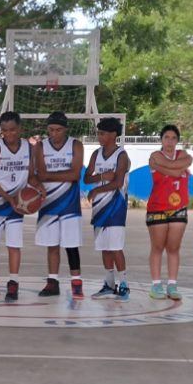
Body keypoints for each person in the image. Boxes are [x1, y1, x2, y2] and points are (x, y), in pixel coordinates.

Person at [0, 111, 45, 302]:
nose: (9, 134)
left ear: (20, 129)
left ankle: (13, 283)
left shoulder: (29, 148)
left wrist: (39, 187)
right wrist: (7, 197)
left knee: (14, 244)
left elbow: (31, 175)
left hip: (17, 201)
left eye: (13, 130)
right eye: (6, 131)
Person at [34, 111, 85, 299]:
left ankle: (76, 283)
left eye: (57, 130)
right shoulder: (40, 146)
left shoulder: (76, 145)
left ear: (65, 129)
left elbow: (75, 175)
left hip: (70, 203)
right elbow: (40, 175)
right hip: (48, 202)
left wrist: (50, 175)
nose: (53, 133)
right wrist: (63, 174)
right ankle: (52, 282)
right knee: (52, 244)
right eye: (51, 130)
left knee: (71, 245)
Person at [84, 117, 130, 301]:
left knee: (116, 247)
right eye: (98, 133)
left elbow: (118, 182)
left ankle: (124, 285)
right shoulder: (96, 154)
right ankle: (109, 284)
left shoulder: (122, 155)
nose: (99, 136)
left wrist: (98, 188)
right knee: (104, 247)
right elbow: (87, 178)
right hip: (99, 207)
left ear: (113, 134)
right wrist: (104, 175)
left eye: (102, 133)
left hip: (116, 206)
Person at [146, 125, 192, 300]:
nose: (170, 141)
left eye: (173, 138)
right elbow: (177, 167)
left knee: (173, 247)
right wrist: (176, 169)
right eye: (166, 137)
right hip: (157, 207)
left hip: (178, 207)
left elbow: (179, 165)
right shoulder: (155, 156)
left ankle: (172, 284)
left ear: (177, 140)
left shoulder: (184, 155)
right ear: (161, 139)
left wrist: (166, 168)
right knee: (157, 247)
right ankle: (156, 285)